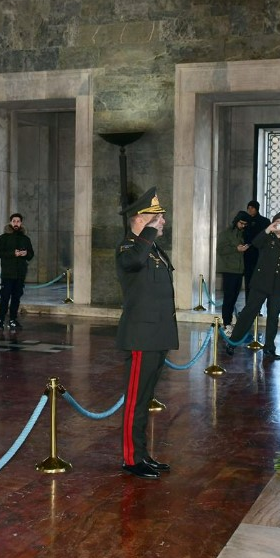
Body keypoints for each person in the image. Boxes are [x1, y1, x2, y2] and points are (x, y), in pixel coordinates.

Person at [116, 187, 176, 480]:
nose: (163, 221)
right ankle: (131, 458)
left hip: (157, 335)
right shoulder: (128, 248)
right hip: (141, 336)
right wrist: (148, 231)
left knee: (145, 399)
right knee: (135, 401)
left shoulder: (152, 249)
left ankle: (141, 454)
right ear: (141, 219)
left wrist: (150, 233)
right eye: (157, 217)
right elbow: (133, 262)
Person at [226, 212, 280, 360]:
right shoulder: (267, 238)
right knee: (249, 313)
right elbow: (256, 243)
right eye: (278, 222)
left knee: (273, 317)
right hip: (260, 283)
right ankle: (232, 342)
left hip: (277, 286)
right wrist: (268, 229)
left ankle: (269, 348)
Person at [0, 212, 33, 330]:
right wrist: (13, 254)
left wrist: (26, 253)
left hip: (20, 274)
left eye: (18, 221)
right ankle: (1, 320)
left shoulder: (25, 239)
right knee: (5, 297)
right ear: (10, 222)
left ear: (21, 223)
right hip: (7, 274)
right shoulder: (3, 237)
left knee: (16, 298)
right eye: (14, 221)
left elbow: (31, 254)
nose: (16, 223)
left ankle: (12, 319)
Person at [216, 210, 250, 334]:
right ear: (236, 221)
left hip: (239, 270)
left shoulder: (242, 233)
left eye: (245, 224)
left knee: (234, 297)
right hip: (229, 270)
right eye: (241, 223)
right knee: (228, 298)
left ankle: (229, 322)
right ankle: (226, 323)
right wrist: (236, 248)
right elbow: (220, 249)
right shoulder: (226, 234)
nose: (243, 226)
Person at [242, 200, 269, 290]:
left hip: (259, 253)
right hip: (247, 253)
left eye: (252, 208)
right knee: (248, 278)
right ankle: (248, 298)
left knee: (258, 278)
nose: (250, 210)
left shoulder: (264, 221)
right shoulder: (245, 221)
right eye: (248, 208)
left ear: (256, 209)